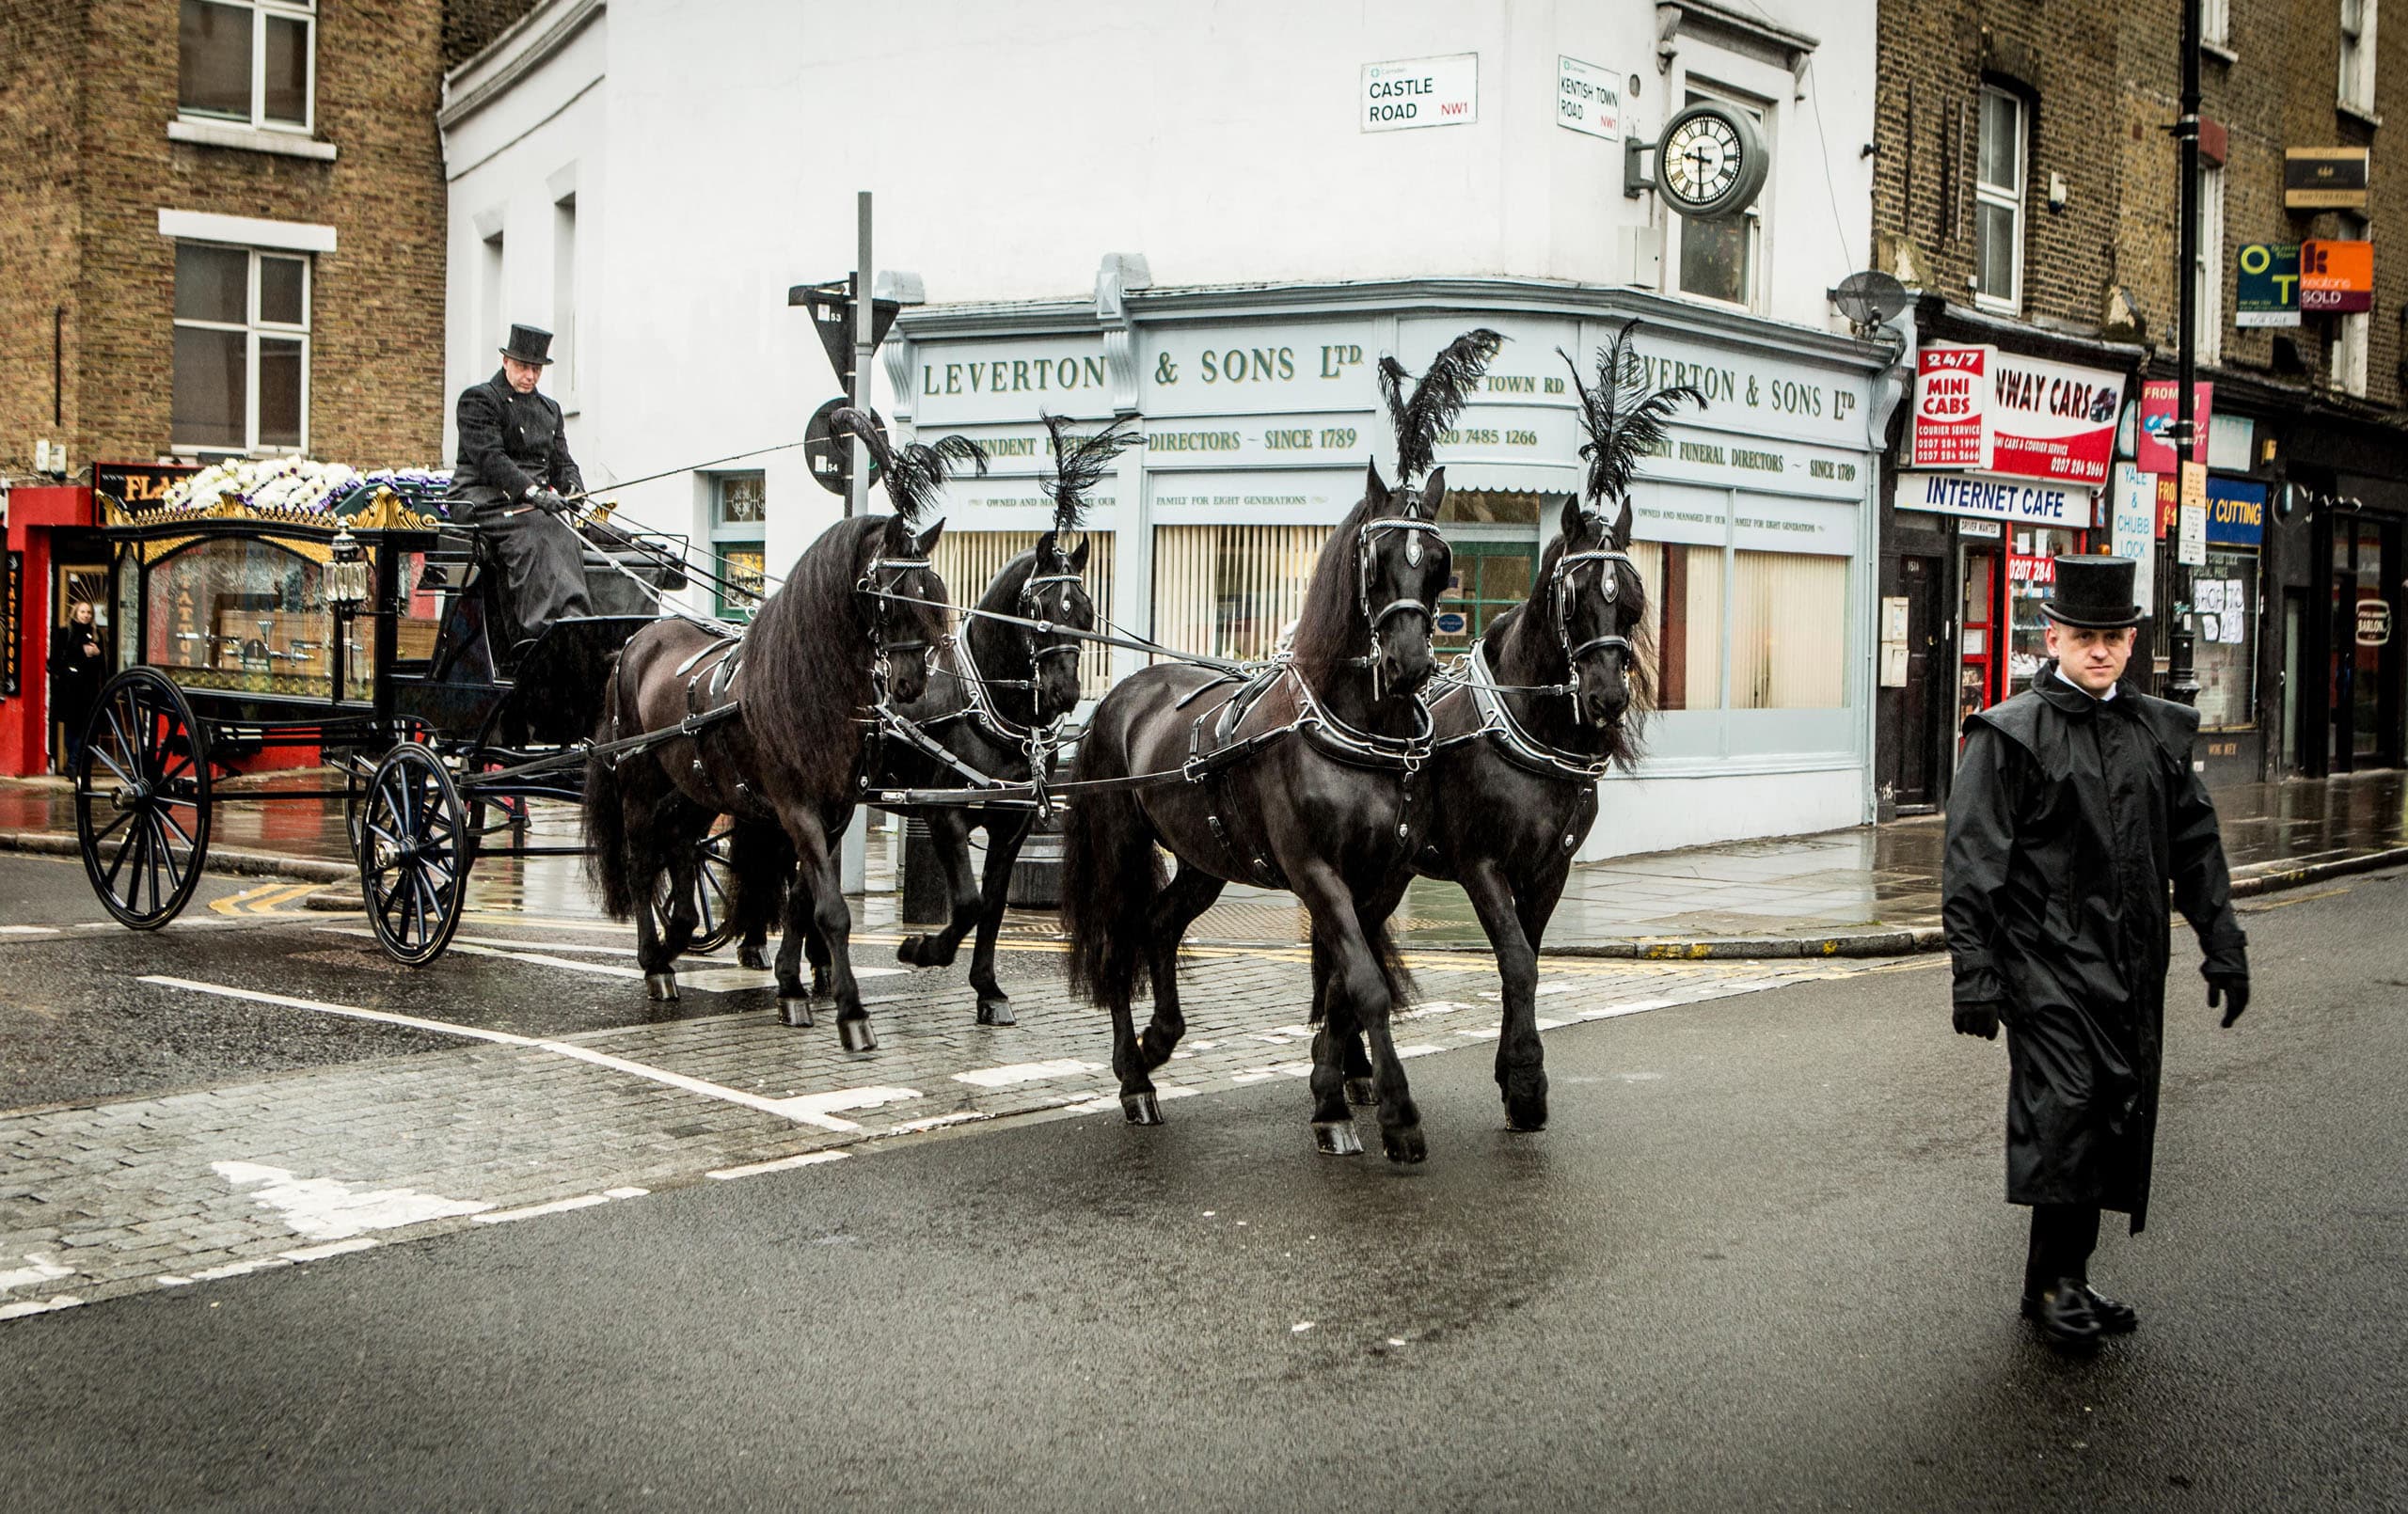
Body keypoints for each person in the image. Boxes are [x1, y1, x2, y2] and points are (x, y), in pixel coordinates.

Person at [1941, 555, 2251, 1348]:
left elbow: (2195, 847)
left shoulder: (2154, 731)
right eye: (2085, 637)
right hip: (2043, 965)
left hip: (2129, 966)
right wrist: (1974, 974)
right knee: (2067, 1111)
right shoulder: (2010, 735)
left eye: (2114, 637)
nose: (2101, 650)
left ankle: (2065, 1279)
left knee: (2111, 1111)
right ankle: (2053, 1286)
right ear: (2054, 638)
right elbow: (1973, 860)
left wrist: (2223, 943)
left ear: (2132, 641)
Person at [449, 323, 593, 651]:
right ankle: (539, 630)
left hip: (532, 506)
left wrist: (573, 489)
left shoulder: (550, 409)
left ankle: (575, 619)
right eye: (523, 367)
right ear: (506, 362)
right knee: (539, 529)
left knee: (567, 529)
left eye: (536, 369)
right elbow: (491, 459)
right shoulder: (479, 400)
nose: (530, 376)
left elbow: (562, 462)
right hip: (484, 500)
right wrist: (533, 493)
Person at [49, 601, 105, 773]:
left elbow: (102, 666)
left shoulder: (96, 635)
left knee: (87, 727)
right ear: (75, 613)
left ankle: (75, 763)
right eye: (83, 612)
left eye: (89, 612)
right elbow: (53, 662)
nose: (86, 615)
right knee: (71, 727)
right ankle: (73, 763)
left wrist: (97, 654)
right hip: (70, 689)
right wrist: (71, 667)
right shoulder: (65, 632)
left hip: (89, 689)